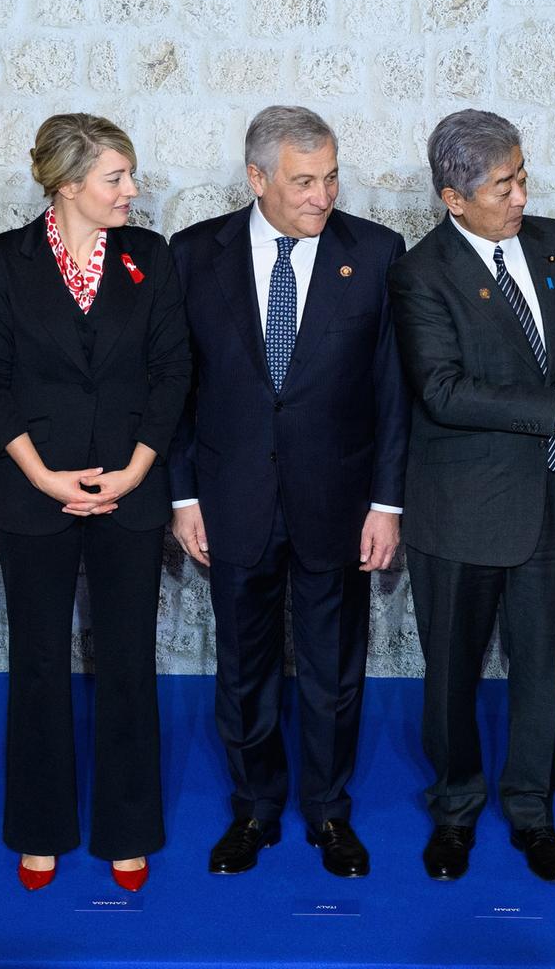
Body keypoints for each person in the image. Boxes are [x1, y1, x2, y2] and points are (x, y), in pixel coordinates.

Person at [168, 106, 409, 879]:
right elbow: (176, 389)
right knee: (243, 668)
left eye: (331, 176)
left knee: (336, 670)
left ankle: (329, 815)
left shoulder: (375, 253)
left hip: (337, 505)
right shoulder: (192, 254)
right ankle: (254, 810)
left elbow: (392, 393)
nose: (322, 194)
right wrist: (182, 497)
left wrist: (386, 504)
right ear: (256, 179)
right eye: (303, 181)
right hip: (230, 499)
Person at [0, 114, 190, 894]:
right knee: (36, 665)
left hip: (132, 492)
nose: (132, 190)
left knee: (128, 664)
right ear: (67, 186)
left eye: (130, 176)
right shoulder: (3, 261)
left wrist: (134, 471)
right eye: (115, 178)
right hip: (36, 493)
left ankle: (129, 830)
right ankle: (40, 828)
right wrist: (38, 472)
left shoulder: (150, 257)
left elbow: (173, 371)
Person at [388, 109, 555, 884]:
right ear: (454, 198)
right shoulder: (420, 275)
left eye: (522, 175)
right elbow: (444, 391)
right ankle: (454, 811)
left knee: (540, 668)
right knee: (451, 677)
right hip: (459, 513)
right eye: (502, 185)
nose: (521, 195)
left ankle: (531, 811)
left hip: (550, 501)